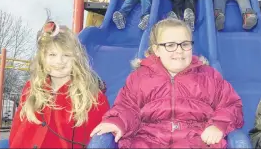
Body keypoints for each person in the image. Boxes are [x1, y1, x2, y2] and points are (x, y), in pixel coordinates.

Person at [90, 18, 244, 148]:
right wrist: (116, 122)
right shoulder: (140, 78)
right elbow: (127, 108)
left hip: (196, 141)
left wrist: (218, 124)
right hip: (148, 140)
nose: (179, 50)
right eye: (170, 45)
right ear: (156, 50)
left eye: (185, 44)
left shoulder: (209, 77)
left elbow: (231, 105)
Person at [9, 20, 110, 148]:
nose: (59, 61)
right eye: (52, 54)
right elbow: (16, 131)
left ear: (76, 59)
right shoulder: (31, 88)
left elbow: (101, 141)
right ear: (42, 59)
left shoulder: (92, 97)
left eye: (66, 55)